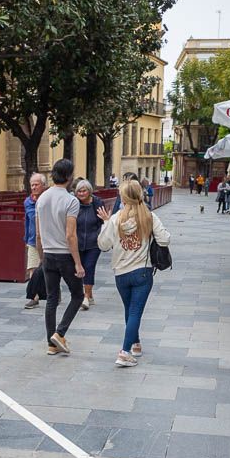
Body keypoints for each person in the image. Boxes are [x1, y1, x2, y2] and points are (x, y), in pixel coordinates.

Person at [98, 179, 170, 368]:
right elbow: (165, 239)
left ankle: (135, 344)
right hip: (142, 273)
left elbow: (103, 245)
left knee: (130, 310)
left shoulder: (115, 219)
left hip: (121, 273)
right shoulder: (149, 217)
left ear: (122, 197)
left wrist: (106, 223)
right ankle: (124, 352)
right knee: (135, 312)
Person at [34, 157, 84, 355]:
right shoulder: (71, 201)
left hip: (48, 254)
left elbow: (38, 234)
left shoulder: (42, 199)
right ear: (69, 176)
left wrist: (41, 256)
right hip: (65, 255)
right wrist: (78, 263)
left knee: (52, 298)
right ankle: (60, 332)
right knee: (78, 295)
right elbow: (71, 235)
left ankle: (51, 344)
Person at [73, 179, 104, 310]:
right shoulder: (74, 204)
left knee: (89, 267)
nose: (81, 193)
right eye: (79, 191)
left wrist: (97, 236)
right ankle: (89, 294)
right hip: (77, 242)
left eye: (84, 190)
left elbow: (102, 222)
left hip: (93, 243)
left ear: (89, 191)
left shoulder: (97, 203)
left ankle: (85, 297)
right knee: (79, 269)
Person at [22, 172, 47, 310]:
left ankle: (55, 291)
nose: (33, 187)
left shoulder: (49, 200)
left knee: (49, 269)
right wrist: (26, 238)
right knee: (33, 268)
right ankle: (34, 297)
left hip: (48, 241)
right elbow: (28, 220)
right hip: (32, 240)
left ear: (43, 185)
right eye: (32, 185)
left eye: (36, 184)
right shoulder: (28, 202)